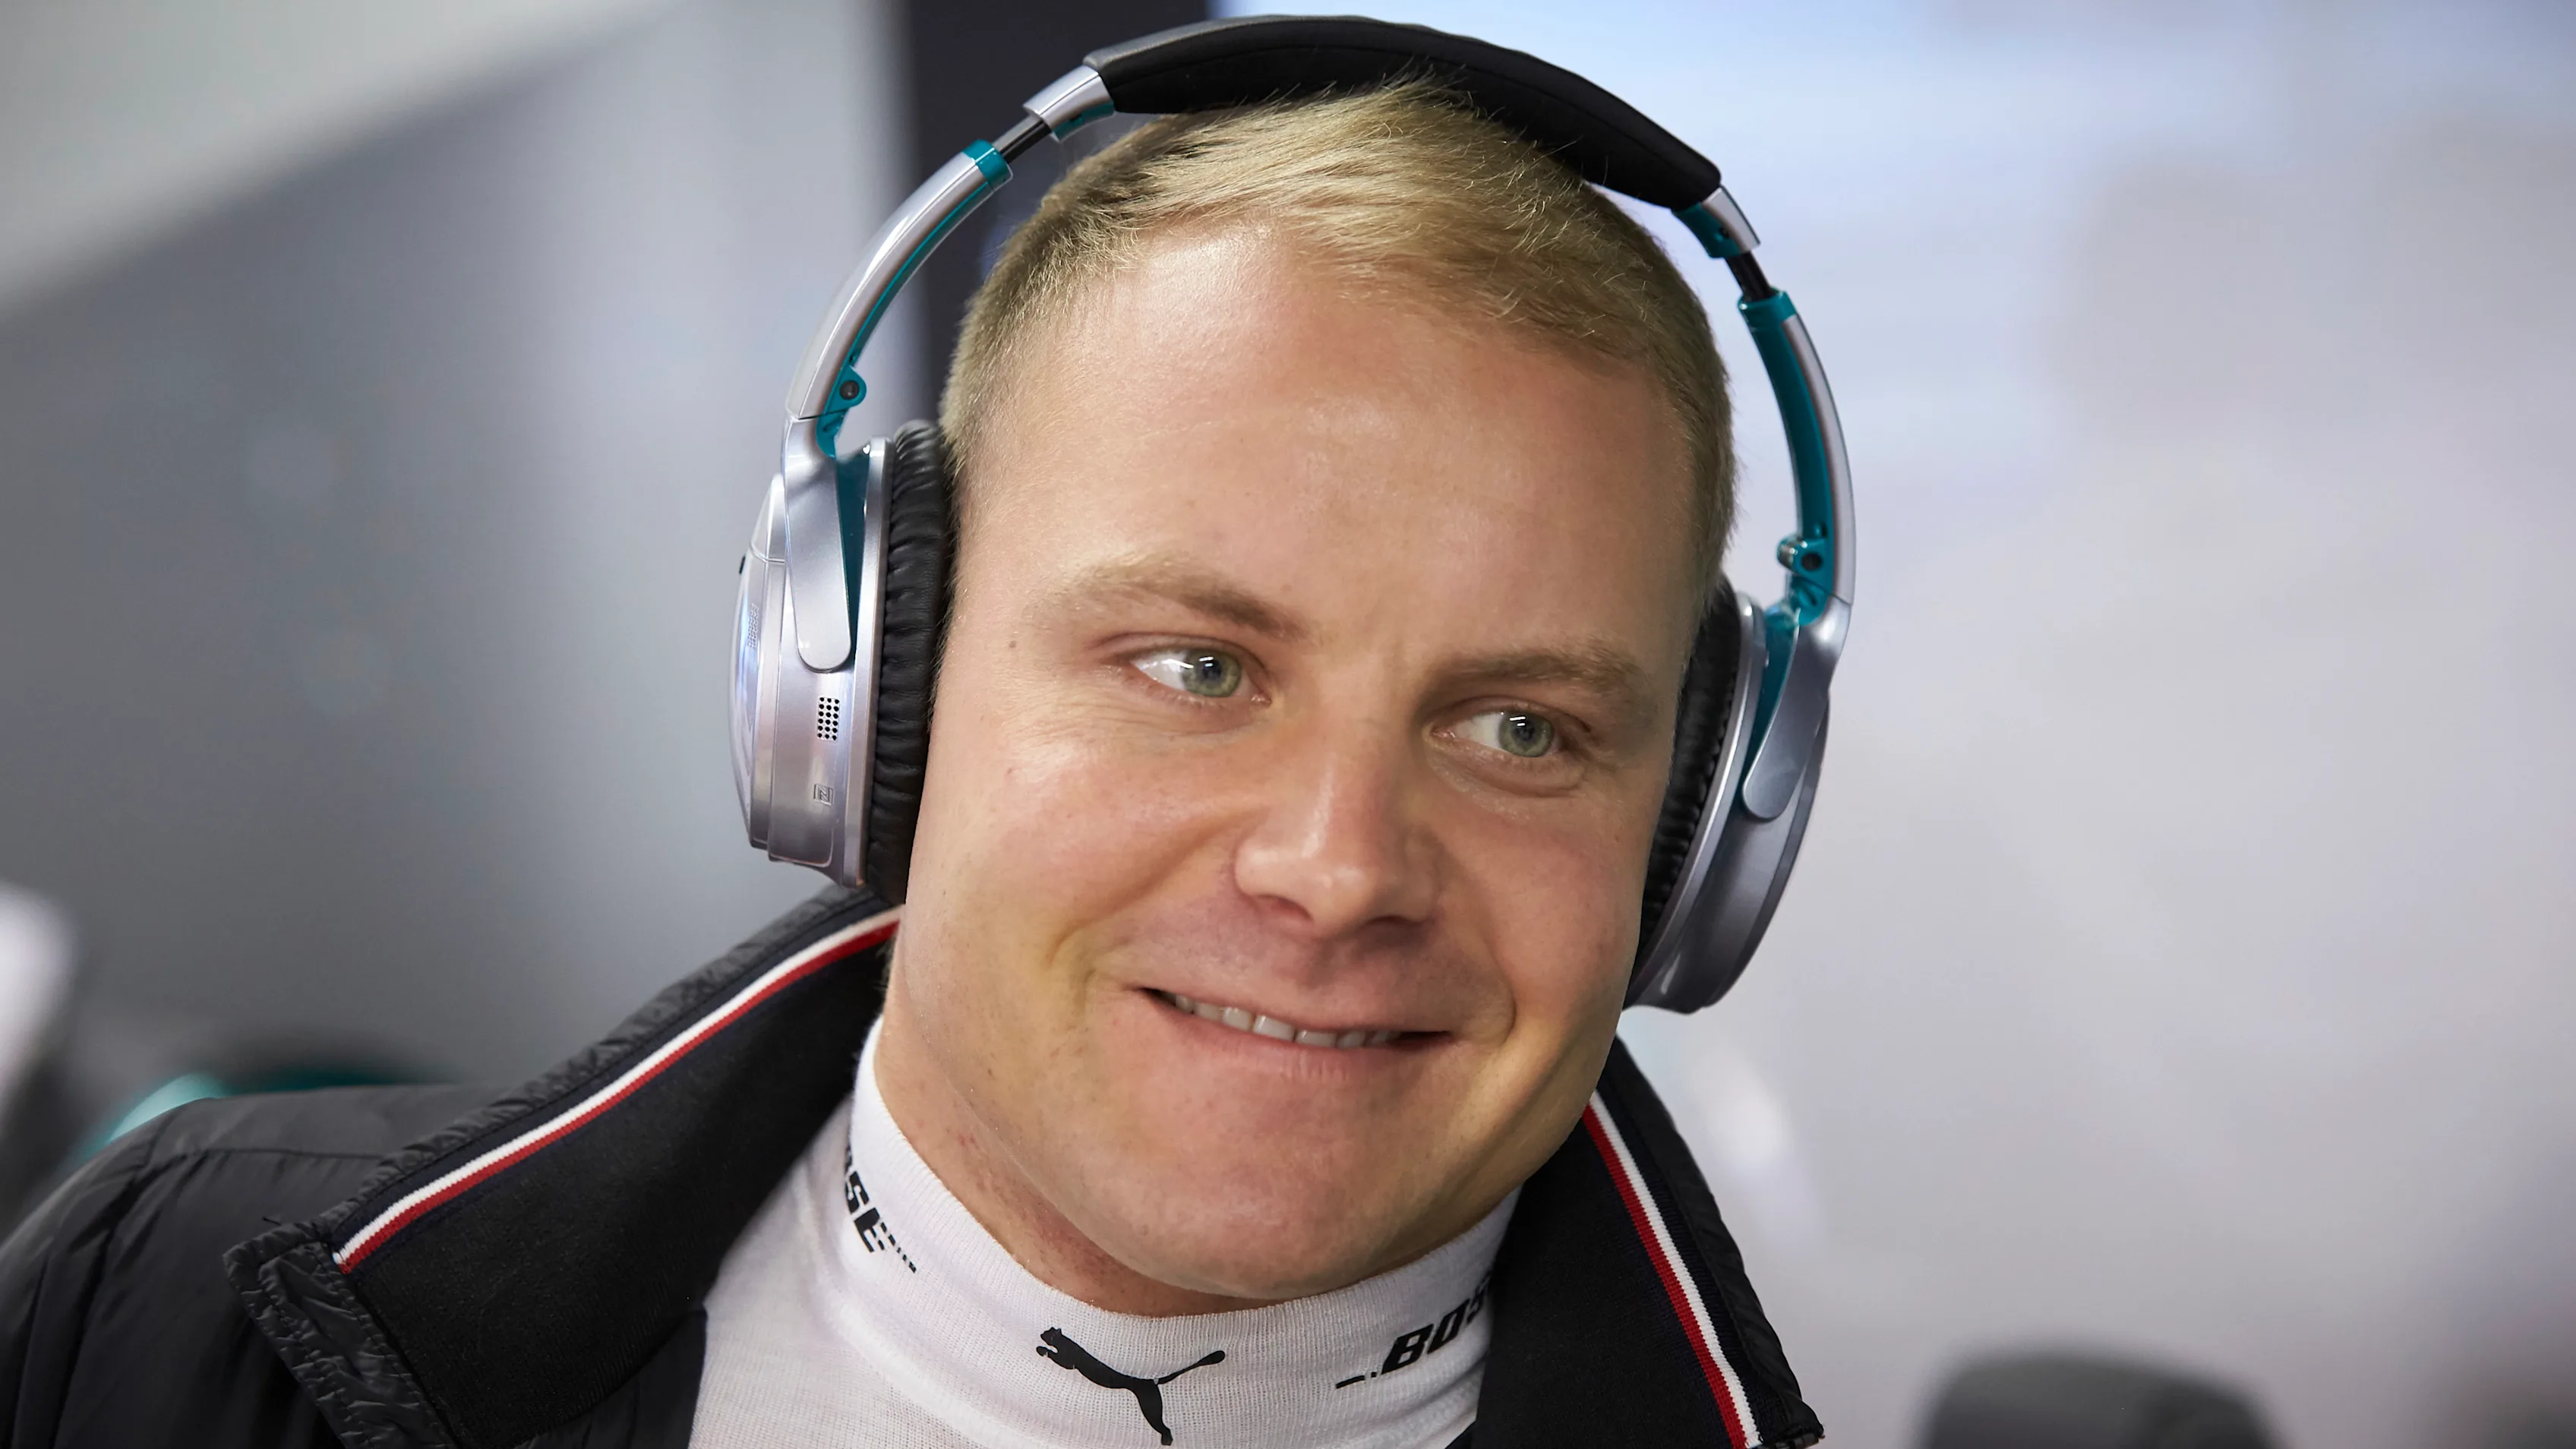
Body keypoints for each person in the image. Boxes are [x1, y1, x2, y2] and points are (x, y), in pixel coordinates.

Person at [0, 55, 1826, 1449]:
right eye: (1196, 665)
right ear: (874, 686)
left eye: (1524, 727)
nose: (1340, 868)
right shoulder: (157, 1309)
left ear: (1697, 828)